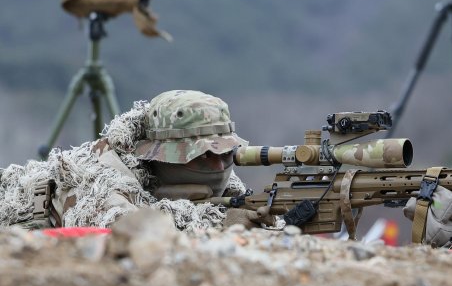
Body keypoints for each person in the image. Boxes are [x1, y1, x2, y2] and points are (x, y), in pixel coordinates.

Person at [0, 90, 264, 230]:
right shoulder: (101, 177)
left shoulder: (227, 183)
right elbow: (124, 231)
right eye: (203, 155)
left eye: (226, 154)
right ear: (162, 158)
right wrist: (219, 224)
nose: (218, 167)